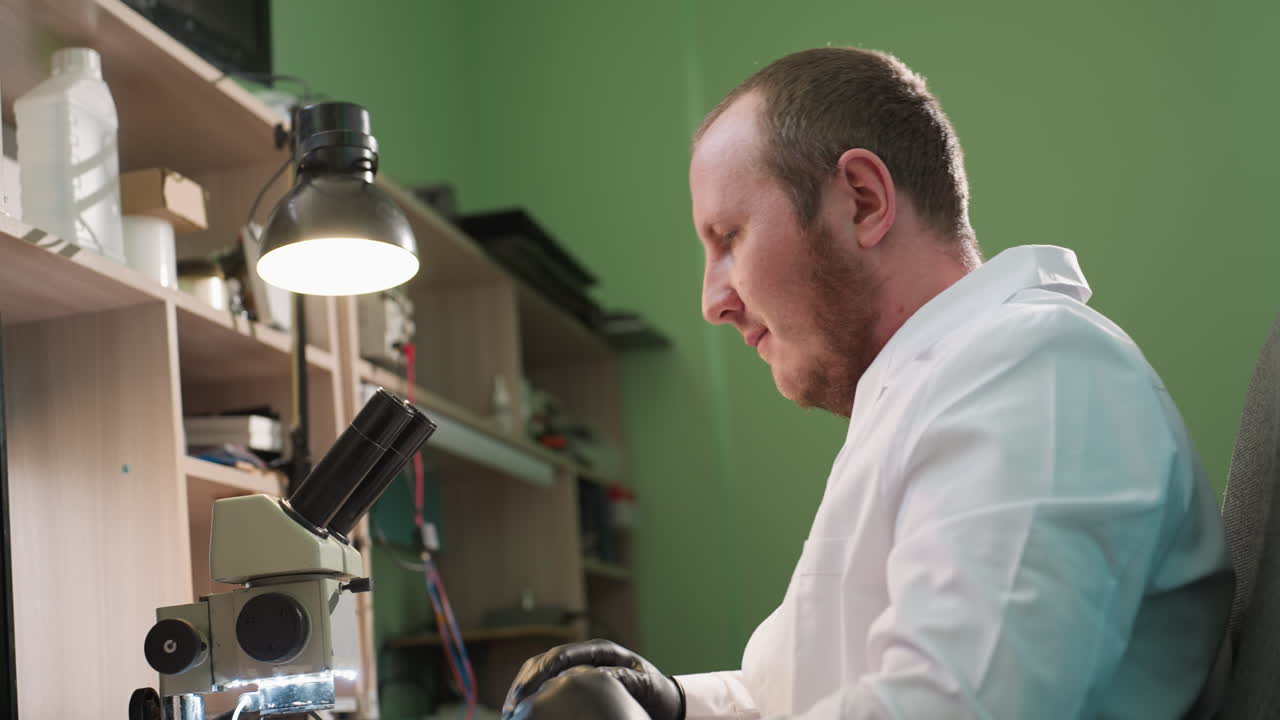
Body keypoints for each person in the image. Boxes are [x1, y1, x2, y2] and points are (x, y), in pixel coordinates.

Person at [503, 47, 1234, 719]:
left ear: (862, 200)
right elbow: (807, 693)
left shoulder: (1035, 369)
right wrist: (677, 704)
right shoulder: (938, 388)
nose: (712, 301)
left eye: (729, 238)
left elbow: (953, 706)